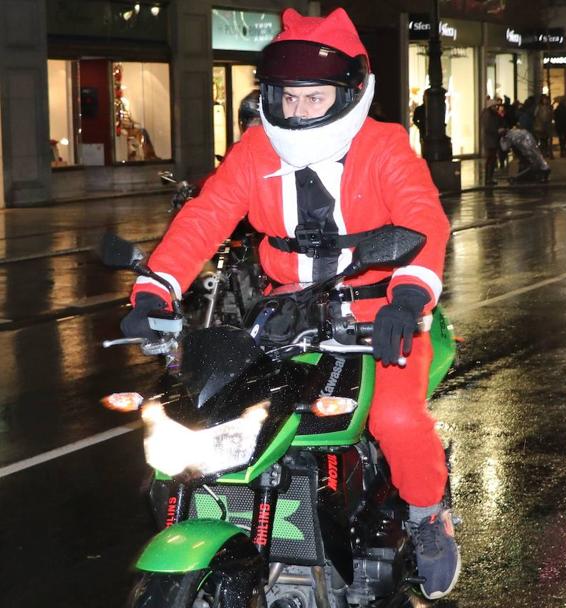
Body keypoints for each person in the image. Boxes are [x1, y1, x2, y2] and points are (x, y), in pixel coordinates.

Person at [118, 8, 459, 600]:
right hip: (287, 317)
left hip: (384, 314)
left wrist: (407, 297)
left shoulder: (384, 146)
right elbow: (203, 219)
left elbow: (425, 222)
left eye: (313, 97)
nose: (297, 111)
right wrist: (156, 287)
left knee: (396, 417)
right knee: (225, 408)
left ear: (349, 94)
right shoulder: (254, 151)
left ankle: (429, 517)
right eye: (287, 97)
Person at [481, 97, 505, 185]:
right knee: (490, 159)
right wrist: (497, 131)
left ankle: (489, 178)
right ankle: (488, 179)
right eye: (495, 106)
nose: (496, 107)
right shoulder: (488, 115)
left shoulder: (493, 114)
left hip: (493, 139)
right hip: (490, 140)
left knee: (492, 159)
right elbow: (488, 128)